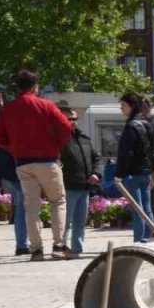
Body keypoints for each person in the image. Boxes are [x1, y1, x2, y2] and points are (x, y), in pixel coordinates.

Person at [0, 69, 73, 260]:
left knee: (31, 206)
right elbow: (66, 127)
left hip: (23, 163)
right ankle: (59, 245)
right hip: (48, 160)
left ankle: (36, 249)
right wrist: (57, 145)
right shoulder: (46, 105)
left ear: (17, 87)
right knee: (58, 201)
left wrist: (13, 148)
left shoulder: (8, 109)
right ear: (35, 86)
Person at [57, 102, 102, 259]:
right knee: (65, 221)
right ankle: (61, 246)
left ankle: (77, 248)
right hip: (67, 187)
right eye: (68, 119)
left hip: (85, 187)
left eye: (74, 119)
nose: (72, 122)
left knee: (80, 221)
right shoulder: (59, 140)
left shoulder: (85, 139)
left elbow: (97, 159)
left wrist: (96, 174)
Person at [115, 93, 154, 242]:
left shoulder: (131, 126)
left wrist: (119, 174)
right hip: (146, 172)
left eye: (123, 105)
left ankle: (139, 242)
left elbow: (126, 153)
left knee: (137, 210)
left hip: (133, 174)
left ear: (131, 106)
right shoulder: (147, 123)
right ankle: (148, 239)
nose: (121, 108)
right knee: (147, 208)